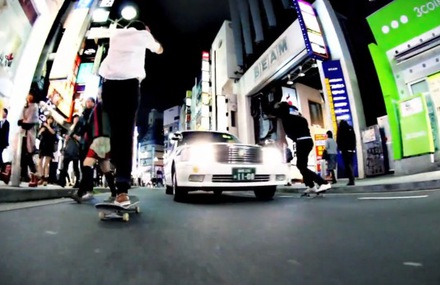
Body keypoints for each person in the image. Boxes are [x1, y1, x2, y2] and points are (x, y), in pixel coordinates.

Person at [98, 20, 163, 206]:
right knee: (126, 134)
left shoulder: (117, 33)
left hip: (108, 86)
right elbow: (159, 49)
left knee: (116, 132)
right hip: (128, 86)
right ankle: (122, 189)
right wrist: (149, 35)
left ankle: (115, 163)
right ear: (145, 29)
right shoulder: (142, 35)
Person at [273, 101, 331, 194]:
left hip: (301, 141)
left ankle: (322, 182)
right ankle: (310, 185)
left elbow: (289, 133)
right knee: (302, 165)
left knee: (301, 166)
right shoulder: (301, 118)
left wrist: (294, 139)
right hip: (308, 141)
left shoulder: (286, 119)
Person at [71, 99, 117, 203]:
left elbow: (89, 125)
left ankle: (79, 193)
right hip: (105, 139)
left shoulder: (100, 107)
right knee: (105, 168)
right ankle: (114, 193)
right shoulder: (103, 107)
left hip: (99, 139)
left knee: (86, 163)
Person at [18, 92, 39, 187]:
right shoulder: (24, 107)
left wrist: (24, 122)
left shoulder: (34, 107)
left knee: (28, 156)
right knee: (23, 155)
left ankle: (34, 175)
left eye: (31, 95)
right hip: (23, 134)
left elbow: (30, 123)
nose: (28, 97)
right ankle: (23, 175)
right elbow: (19, 121)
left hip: (29, 135)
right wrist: (23, 122)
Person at [57, 115, 81, 188]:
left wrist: (74, 136)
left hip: (76, 149)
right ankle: (62, 181)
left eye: (77, 119)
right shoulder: (70, 128)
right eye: (74, 119)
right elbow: (66, 137)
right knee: (64, 166)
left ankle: (77, 182)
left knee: (75, 167)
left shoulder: (80, 128)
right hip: (68, 149)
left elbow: (81, 139)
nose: (75, 120)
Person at [37, 115, 58, 186]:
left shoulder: (53, 127)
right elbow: (39, 134)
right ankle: (41, 177)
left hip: (49, 147)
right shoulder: (43, 127)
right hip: (42, 146)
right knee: (39, 162)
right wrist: (41, 130)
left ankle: (46, 178)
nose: (49, 120)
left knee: (46, 164)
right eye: (48, 119)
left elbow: (53, 133)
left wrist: (48, 126)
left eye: (51, 119)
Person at [337, 120, 356, 186]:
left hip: (344, 150)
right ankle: (352, 177)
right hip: (351, 149)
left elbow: (338, 139)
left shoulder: (340, 129)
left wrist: (340, 148)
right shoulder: (350, 128)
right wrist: (353, 147)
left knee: (347, 164)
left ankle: (351, 179)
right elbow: (354, 138)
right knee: (350, 163)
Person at [0, 108, 10, 184]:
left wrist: (6, 143)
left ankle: (3, 169)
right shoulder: (0, 122)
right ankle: (3, 170)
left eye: (3, 112)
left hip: (2, 142)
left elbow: (6, 134)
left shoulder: (7, 123)